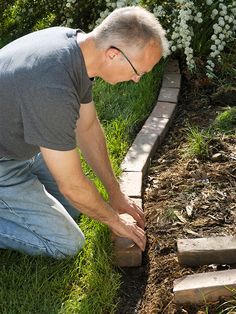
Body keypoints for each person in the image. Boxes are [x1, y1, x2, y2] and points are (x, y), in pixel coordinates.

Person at [0, 6, 169, 258]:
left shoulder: (73, 47)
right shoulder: (52, 88)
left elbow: (87, 127)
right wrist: (116, 221)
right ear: (113, 55)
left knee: (77, 208)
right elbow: (71, 185)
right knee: (66, 243)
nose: (137, 80)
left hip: (18, 144)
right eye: (138, 72)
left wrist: (115, 193)